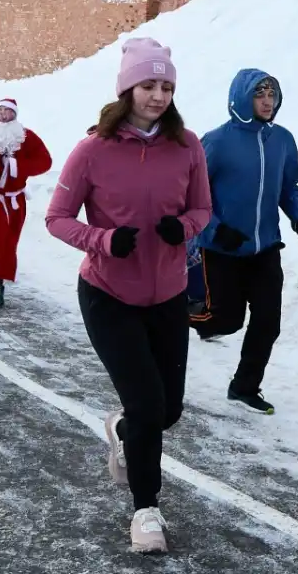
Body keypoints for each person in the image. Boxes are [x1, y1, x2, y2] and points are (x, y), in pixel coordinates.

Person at [44, 37, 211, 554]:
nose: (158, 95)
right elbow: (57, 219)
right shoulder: (93, 150)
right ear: (127, 89)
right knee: (147, 403)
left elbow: (204, 210)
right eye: (148, 85)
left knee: (167, 409)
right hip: (108, 294)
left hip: (167, 295)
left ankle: (122, 428)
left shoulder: (187, 145)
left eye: (166, 86)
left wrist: (181, 228)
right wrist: (103, 240)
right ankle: (146, 511)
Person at [188, 70, 298, 415]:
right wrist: (215, 229)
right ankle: (173, 315)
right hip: (221, 250)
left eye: (272, 95)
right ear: (243, 98)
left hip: (265, 248)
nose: (268, 102)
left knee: (268, 322)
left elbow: (289, 186)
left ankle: (244, 386)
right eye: (260, 95)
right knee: (226, 321)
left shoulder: (283, 140)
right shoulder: (216, 142)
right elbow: (191, 194)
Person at [0, 98, 53, 307]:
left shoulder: (26, 136)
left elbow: (45, 161)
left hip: (16, 197)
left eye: (8, 111)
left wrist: (19, 166)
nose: (4, 115)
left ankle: (2, 276)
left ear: (15, 114)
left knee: (11, 239)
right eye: (0, 111)